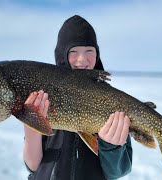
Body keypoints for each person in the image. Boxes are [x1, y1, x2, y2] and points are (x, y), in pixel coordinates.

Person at [23, 15, 133, 180]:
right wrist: (31, 129)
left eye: (89, 51)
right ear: (62, 56)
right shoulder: (44, 95)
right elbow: (33, 167)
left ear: (97, 54)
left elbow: (117, 172)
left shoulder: (112, 101)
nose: (82, 59)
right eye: (73, 52)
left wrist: (111, 147)